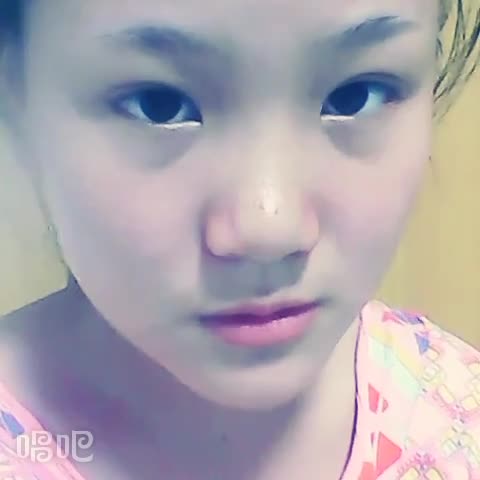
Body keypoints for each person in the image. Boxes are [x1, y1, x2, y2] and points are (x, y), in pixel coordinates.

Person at [0, 0, 478, 478]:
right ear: (12, 89)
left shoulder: (458, 416)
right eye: (158, 105)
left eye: (355, 96)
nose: (270, 230)